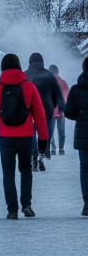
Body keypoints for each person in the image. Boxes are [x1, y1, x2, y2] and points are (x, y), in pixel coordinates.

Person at [0, 52, 48, 219]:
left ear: (2, 68)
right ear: (19, 66)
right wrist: (43, 139)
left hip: (6, 138)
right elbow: (40, 115)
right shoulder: (29, 87)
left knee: (8, 173)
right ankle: (26, 205)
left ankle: (12, 210)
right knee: (26, 170)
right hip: (26, 137)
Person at [25, 52, 63, 169]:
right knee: (45, 134)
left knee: (32, 134)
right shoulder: (49, 75)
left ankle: (33, 157)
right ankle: (41, 156)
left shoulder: (25, 75)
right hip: (47, 109)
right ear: (42, 62)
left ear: (30, 62)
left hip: (29, 110)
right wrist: (56, 105)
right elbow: (57, 93)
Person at [63, 56, 88, 216]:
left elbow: (69, 113)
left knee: (85, 168)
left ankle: (87, 203)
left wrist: (81, 115)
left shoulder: (76, 89)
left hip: (83, 135)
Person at [49, 63, 70, 156]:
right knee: (61, 131)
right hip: (61, 111)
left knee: (51, 131)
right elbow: (68, 95)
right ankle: (61, 149)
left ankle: (53, 149)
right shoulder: (63, 82)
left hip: (51, 110)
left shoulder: (48, 82)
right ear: (57, 72)